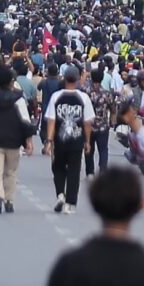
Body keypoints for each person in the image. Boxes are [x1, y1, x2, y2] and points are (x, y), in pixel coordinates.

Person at [0, 68, 35, 216]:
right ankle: (9, 201)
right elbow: (25, 122)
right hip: (13, 141)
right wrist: (28, 141)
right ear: (11, 82)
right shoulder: (19, 100)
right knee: (10, 172)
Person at [46, 67, 96, 214]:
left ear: (64, 78)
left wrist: (49, 140)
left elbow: (51, 120)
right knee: (74, 171)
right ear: (78, 78)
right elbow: (87, 122)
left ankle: (60, 194)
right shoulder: (83, 98)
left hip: (59, 140)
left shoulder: (56, 96)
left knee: (58, 167)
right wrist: (87, 141)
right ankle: (70, 203)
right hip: (77, 140)